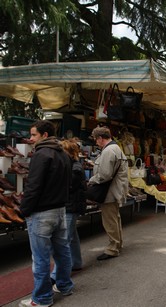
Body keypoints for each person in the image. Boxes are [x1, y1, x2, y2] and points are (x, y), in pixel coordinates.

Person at [19, 120, 74, 307]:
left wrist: (24, 209)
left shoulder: (41, 154)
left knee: (41, 258)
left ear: (44, 135)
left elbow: (33, 186)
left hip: (42, 212)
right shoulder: (64, 154)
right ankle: (65, 285)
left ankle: (42, 298)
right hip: (59, 210)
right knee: (62, 252)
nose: (30, 138)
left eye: (33, 134)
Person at [89, 126, 129, 260]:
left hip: (109, 192)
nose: (95, 142)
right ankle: (118, 244)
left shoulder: (109, 151)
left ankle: (113, 248)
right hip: (115, 190)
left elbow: (105, 174)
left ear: (100, 138)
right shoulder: (116, 148)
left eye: (96, 139)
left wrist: (91, 180)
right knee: (114, 219)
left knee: (110, 221)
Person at [50, 139, 87, 284]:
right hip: (71, 205)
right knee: (72, 236)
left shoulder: (75, 168)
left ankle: (56, 275)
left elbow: (68, 187)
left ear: (69, 153)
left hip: (71, 206)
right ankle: (76, 262)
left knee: (64, 239)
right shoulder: (73, 165)